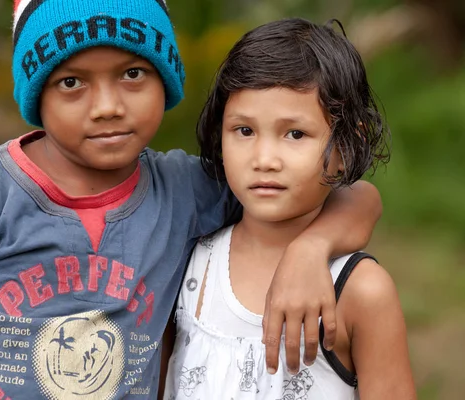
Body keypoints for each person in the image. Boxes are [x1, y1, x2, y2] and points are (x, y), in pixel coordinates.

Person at [0, 1, 381, 399]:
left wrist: (310, 250)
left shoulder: (188, 190)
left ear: (165, 81)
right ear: (36, 96)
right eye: (71, 82)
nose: (107, 106)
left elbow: (355, 194)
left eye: (131, 74)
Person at [162, 17, 416, 400]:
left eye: (295, 134)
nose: (264, 159)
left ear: (346, 145)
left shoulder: (362, 292)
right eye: (244, 131)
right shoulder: (189, 261)